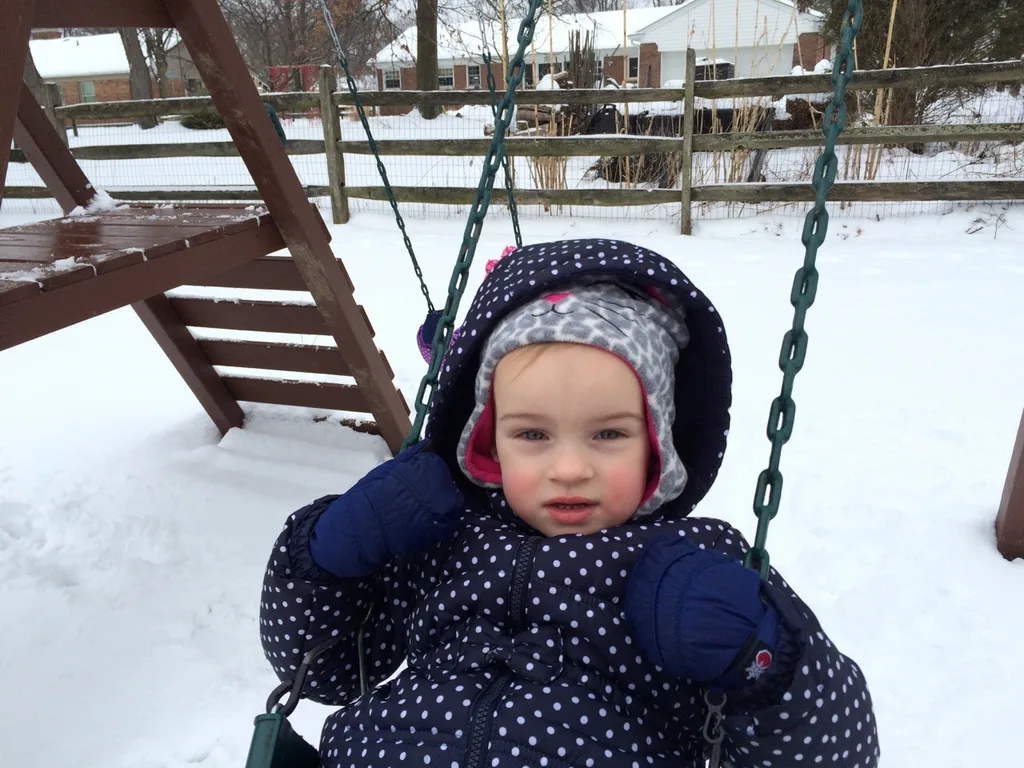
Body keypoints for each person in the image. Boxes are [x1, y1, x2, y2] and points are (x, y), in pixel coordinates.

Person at [259, 239, 879, 768]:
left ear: (656, 445)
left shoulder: (697, 562)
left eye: (608, 434)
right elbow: (323, 672)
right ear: (487, 442)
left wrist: (765, 661)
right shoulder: (443, 537)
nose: (570, 469)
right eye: (532, 435)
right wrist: (326, 556)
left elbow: (836, 749)